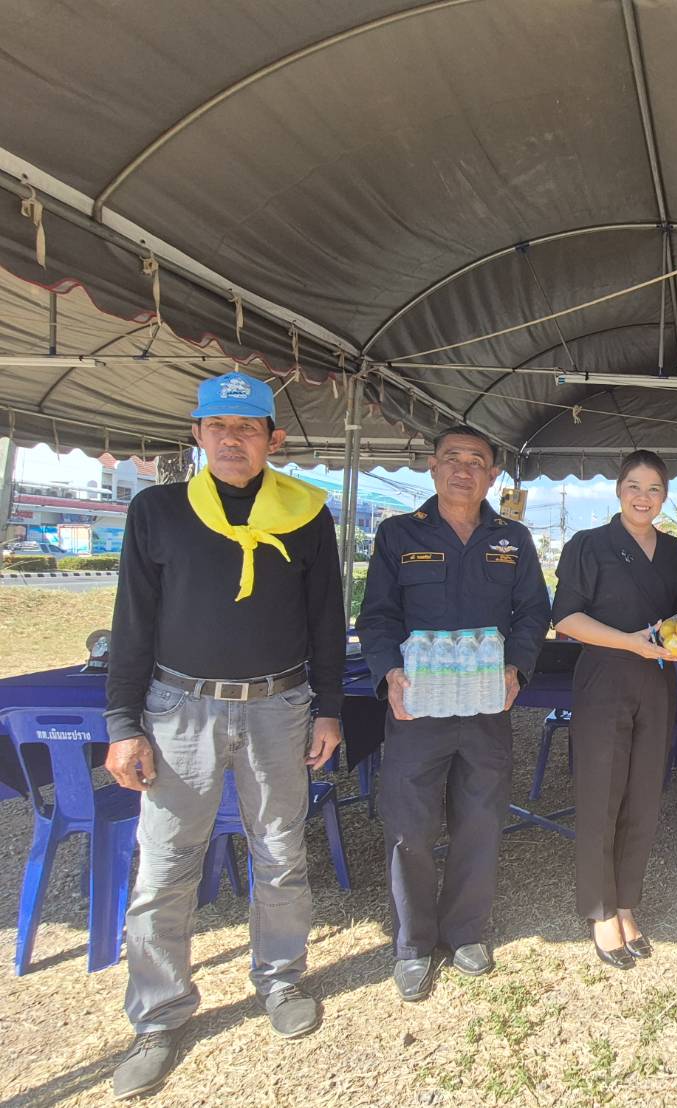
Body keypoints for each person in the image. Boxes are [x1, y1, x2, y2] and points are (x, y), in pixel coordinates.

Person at [104, 372, 345, 1100]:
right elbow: (132, 623)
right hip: (180, 708)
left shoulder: (305, 514)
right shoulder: (158, 510)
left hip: (280, 705)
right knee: (166, 862)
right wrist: (123, 725)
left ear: (274, 439)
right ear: (198, 434)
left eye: (247, 428)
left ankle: (278, 978)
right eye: (218, 426)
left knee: (279, 850)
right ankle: (159, 1012)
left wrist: (328, 708)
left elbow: (327, 621)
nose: (232, 439)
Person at [358, 425, 550, 1002]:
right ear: (432, 468)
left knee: (482, 818)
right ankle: (413, 943)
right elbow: (378, 615)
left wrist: (517, 668)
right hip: (418, 708)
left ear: (493, 475)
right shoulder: (398, 534)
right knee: (410, 826)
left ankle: (464, 930)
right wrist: (388, 673)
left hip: (487, 706)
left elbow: (532, 611)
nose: (464, 470)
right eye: (452, 459)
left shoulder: (511, 538)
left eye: (477, 461)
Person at [551, 450, 677, 969]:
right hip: (605, 679)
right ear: (618, 490)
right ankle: (600, 909)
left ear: (664, 496)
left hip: (658, 681)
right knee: (600, 794)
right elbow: (565, 618)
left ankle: (627, 900)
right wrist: (631, 643)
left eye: (653, 489)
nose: (642, 497)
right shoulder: (587, 545)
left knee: (644, 795)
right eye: (633, 486)